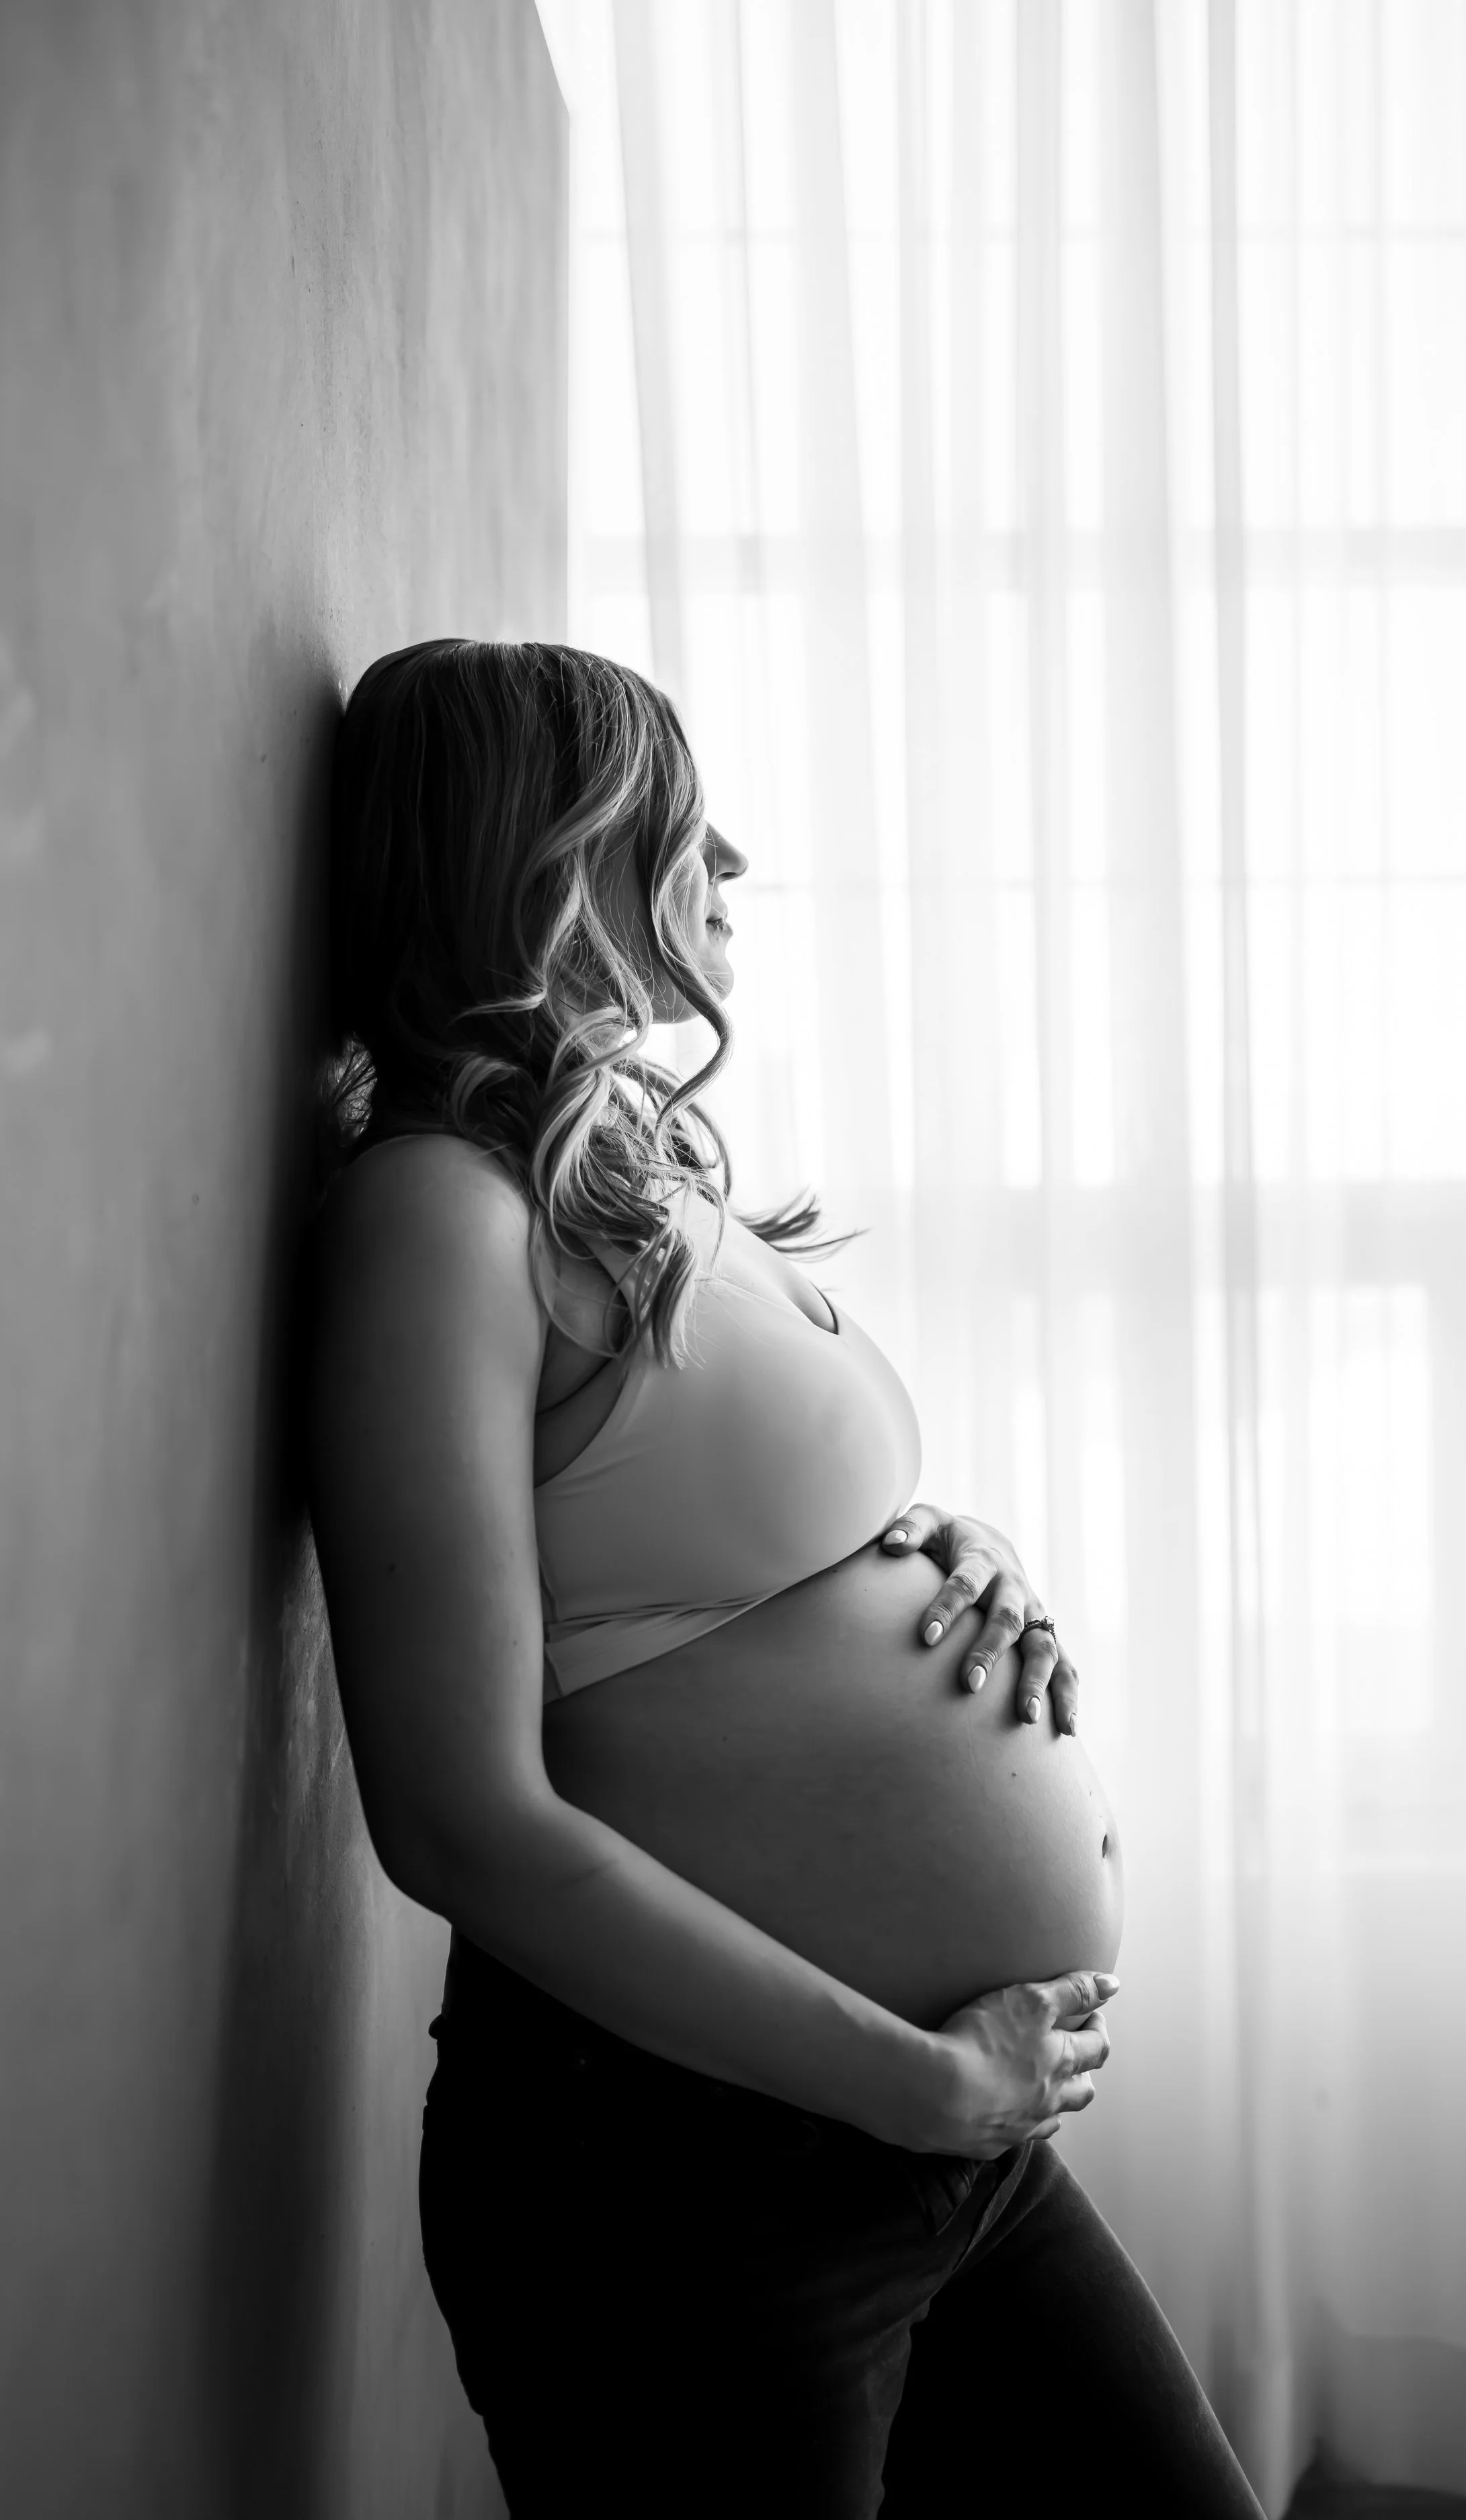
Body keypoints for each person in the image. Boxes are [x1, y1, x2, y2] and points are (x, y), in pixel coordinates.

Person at [304, 638, 1264, 2516]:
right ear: (541, 858)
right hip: (681, 2171)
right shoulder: (435, 1208)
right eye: (674, 817)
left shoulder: (630, 1173)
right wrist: (911, 2080)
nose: (726, 858)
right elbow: (459, 1817)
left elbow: (702, 1538)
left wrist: (946, 1549)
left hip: (931, 2138)